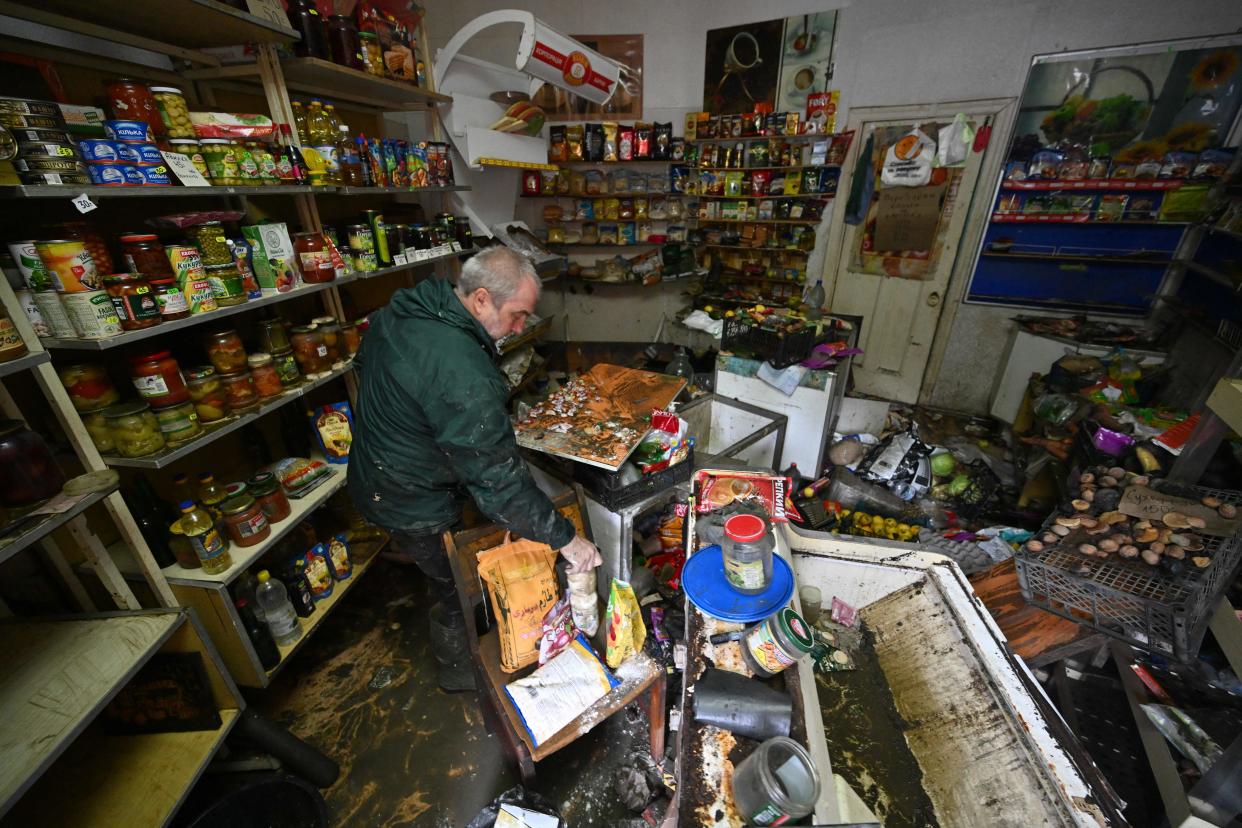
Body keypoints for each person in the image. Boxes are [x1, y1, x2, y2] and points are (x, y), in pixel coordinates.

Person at [347, 246, 601, 692]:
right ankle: (462, 675)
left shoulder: (407, 308)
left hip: (379, 467)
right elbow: (499, 488)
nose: (521, 327)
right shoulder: (461, 369)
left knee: (454, 560)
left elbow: (369, 367)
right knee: (457, 588)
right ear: (481, 299)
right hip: (406, 494)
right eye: (518, 316)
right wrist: (568, 540)